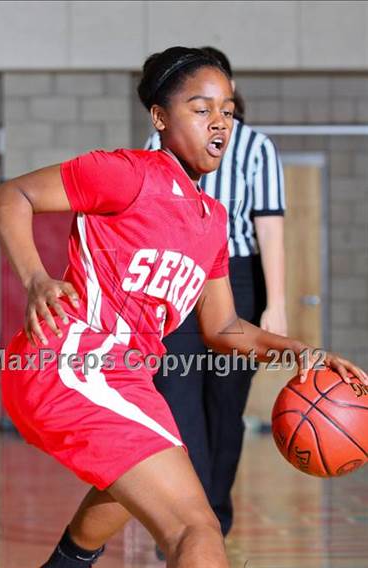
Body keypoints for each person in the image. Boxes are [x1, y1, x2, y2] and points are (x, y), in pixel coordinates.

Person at [0, 46, 366, 568]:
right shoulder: (127, 173)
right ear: (160, 117)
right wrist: (35, 279)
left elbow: (225, 329)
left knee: (140, 487)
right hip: (72, 360)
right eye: (202, 108)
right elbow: (10, 196)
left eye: (228, 111)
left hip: (128, 378)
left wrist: (301, 351)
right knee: (197, 528)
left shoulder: (212, 220)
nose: (220, 123)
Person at [146, 46, 288, 541]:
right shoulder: (156, 143)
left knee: (225, 415)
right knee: (179, 408)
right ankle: (189, 529)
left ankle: (213, 525)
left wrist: (277, 304)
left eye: (223, 100)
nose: (215, 111)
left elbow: (269, 229)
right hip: (177, 278)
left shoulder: (256, 148)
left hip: (240, 279)